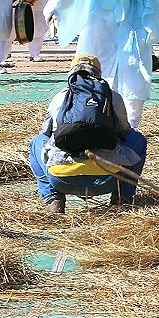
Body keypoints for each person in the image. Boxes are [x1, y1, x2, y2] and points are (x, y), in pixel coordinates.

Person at [28, 54, 148, 213]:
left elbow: (47, 132)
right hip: (107, 178)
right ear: (99, 73)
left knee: (36, 141)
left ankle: (53, 198)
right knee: (137, 139)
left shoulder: (60, 97)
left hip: (61, 179)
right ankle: (122, 200)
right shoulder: (112, 96)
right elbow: (125, 131)